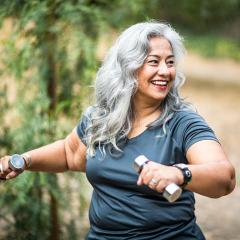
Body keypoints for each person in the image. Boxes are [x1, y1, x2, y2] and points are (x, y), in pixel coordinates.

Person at [0, 21, 236, 239]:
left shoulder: (183, 123)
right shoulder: (101, 118)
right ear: (128, 67)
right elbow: (69, 154)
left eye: (170, 62)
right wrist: (24, 160)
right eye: (154, 61)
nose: (165, 71)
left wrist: (179, 173)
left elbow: (225, 177)